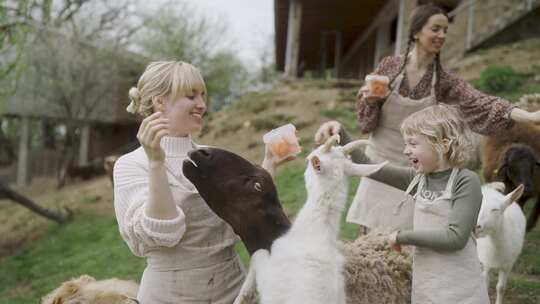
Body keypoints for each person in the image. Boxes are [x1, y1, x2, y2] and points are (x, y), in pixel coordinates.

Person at [315, 3, 540, 234]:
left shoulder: (443, 79)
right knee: (370, 233)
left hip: (416, 169)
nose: (441, 35)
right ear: (416, 32)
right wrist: (369, 102)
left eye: (445, 30)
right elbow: (366, 124)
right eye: (436, 29)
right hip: (377, 162)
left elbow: (480, 103)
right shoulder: (389, 67)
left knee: (403, 239)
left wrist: (529, 117)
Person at [113, 61, 283, 303]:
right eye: (191, 96)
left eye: (203, 95)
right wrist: (156, 163)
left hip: (234, 291)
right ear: (160, 102)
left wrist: (270, 163)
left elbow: (249, 215)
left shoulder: (212, 157)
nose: (202, 105)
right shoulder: (131, 165)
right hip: (169, 295)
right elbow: (164, 233)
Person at [350, 104, 489, 303]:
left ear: (442, 144)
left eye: (413, 144)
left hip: (459, 287)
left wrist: (402, 236)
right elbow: (370, 167)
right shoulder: (417, 179)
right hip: (428, 284)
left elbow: (455, 238)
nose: (406, 151)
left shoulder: (465, 181)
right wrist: (339, 131)